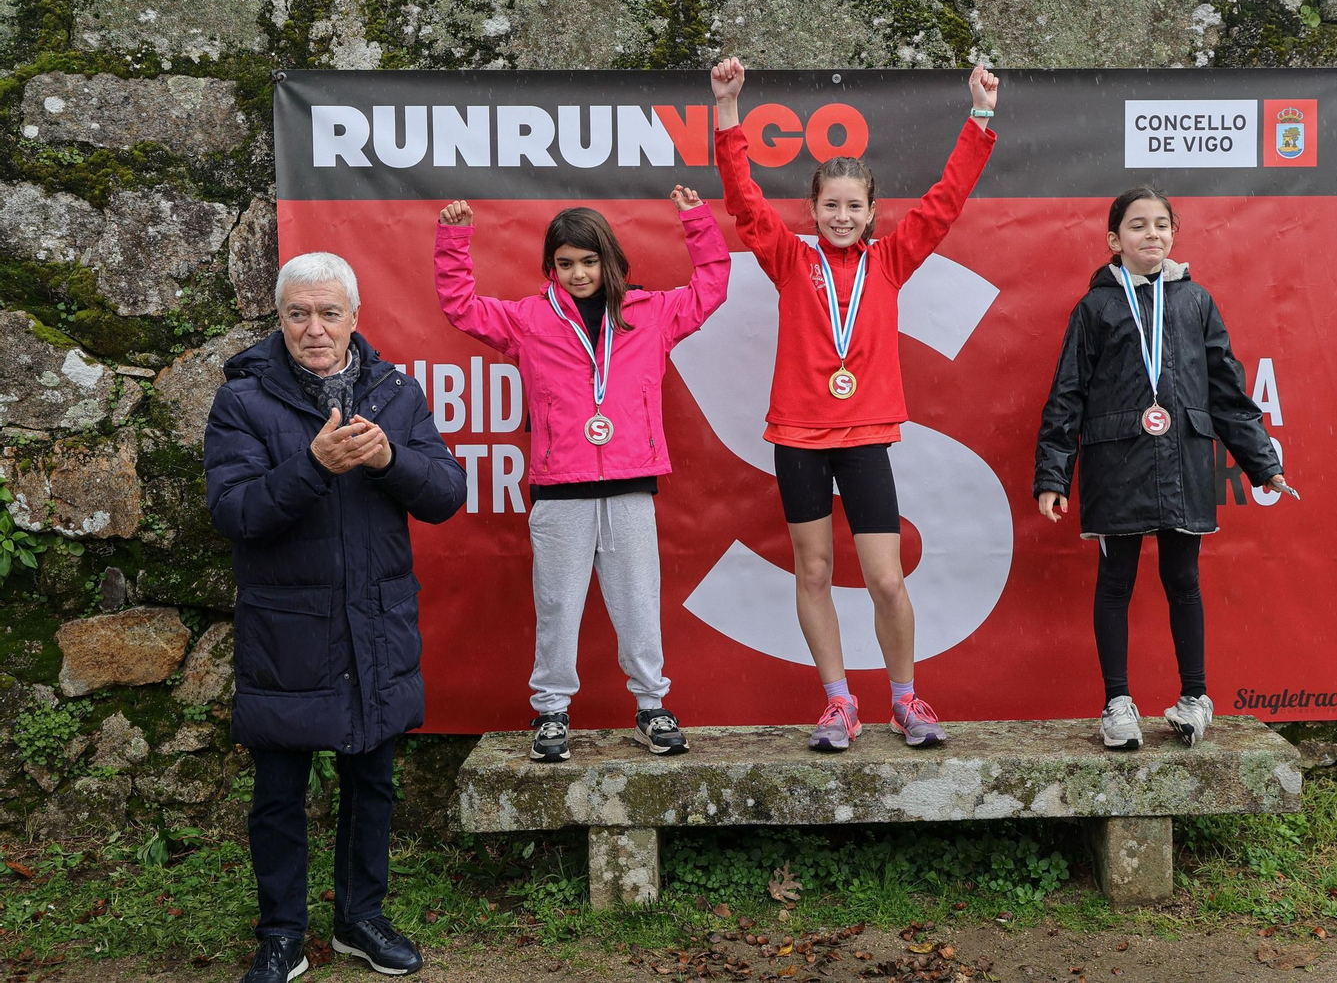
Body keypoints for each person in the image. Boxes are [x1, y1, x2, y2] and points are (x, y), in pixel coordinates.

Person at [709, 56, 999, 750]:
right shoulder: (789, 258)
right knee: (813, 570)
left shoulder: (891, 261)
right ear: (812, 211)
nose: (842, 216)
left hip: (866, 436)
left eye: (853, 206)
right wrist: (727, 110)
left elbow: (947, 200)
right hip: (799, 438)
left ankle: (905, 698)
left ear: (872, 213)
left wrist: (981, 116)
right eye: (830, 206)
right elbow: (744, 198)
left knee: (887, 580)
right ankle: (838, 703)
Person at [204, 252, 468, 982]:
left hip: (375, 623)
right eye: (298, 314)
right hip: (287, 631)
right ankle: (282, 935)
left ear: (356, 318)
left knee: (372, 780)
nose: (314, 329)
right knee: (279, 791)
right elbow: (235, 512)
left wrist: (391, 461)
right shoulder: (243, 401)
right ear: (280, 319)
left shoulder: (394, 392)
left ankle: (360, 920)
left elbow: (446, 493)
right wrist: (313, 465)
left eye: (328, 314)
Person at [433, 187, 730, 762]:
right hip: (560, 489)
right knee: (558, 606)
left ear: (610, 261)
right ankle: (550, 712)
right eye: (565, 264)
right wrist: (454, 240)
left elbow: (711, 287)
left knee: (639, 602)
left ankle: (652, 707)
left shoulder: (651, 314)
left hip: (629, 485)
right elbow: (461, 306)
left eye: (589, 262)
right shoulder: (528, 321)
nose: (578, 273)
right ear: (551, 268)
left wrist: (697, 221)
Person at [1034, 187, 1291, 751]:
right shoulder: (1096, 306)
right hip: (1116, 462)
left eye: (1161, 225)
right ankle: (1117, 703)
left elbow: (1227, 392)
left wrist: (1261, 462)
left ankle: (1194, 697)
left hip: (1184, 463)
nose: (1151, 235)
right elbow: (1067, 395)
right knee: (1116, 582)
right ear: (1113, 240)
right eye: (1137, 226)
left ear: (1174, 234)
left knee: (1183, 581)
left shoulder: (1196, 302)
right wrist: (1054, 475)